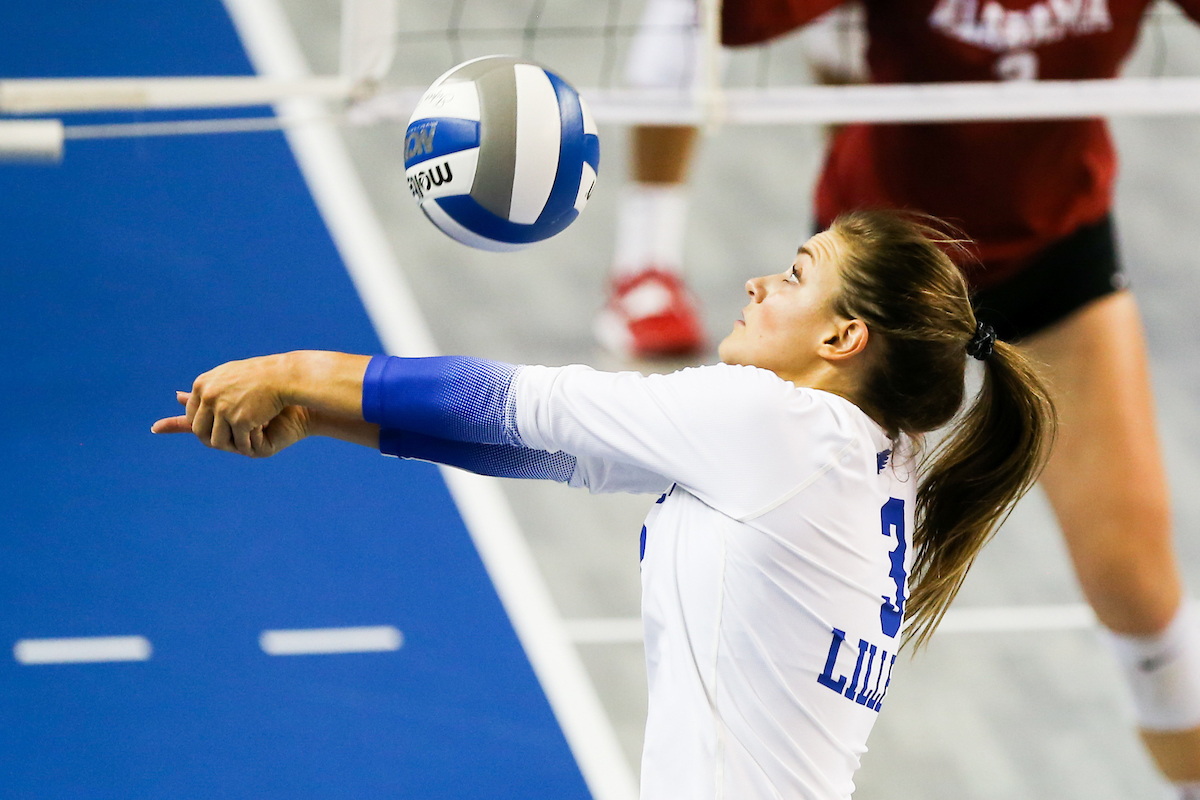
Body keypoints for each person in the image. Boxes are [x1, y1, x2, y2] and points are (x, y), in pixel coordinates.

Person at [153, 210, 1053, 799]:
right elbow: (543, 447)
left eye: (794, 274)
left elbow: (508, 404)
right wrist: (319, 416)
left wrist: (293, 370)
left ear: (844, 336)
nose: (758, 284)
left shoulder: (777, 426)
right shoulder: (872, 455)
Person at [603, 0, 1200, 794]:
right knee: (783, 586)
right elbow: (729, 21)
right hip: (882, 288)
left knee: (1138, 596)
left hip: (1057, 258)